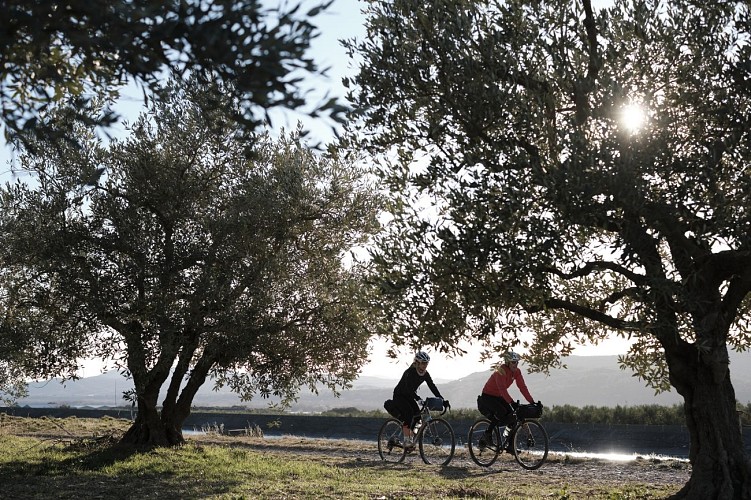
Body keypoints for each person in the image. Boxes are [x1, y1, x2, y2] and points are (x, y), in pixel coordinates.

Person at [385, 351, 445, 450]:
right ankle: (406, 440)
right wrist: (418, 399)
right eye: (423, 363)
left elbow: (432, 386)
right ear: (417, 362)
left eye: (426, 363)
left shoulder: (425, 374)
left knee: (418, 418)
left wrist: (442, 399)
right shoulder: (409, 372)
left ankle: (410, 438)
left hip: (409, 396)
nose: (425, 365)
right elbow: (408, 388)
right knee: (408, 414)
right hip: (399, 396)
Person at [477, 351, 536, 451]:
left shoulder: (517, 372)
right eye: (513, 362)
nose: (516, 364)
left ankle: (510, 445)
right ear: (507, 362)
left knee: (514, 416)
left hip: (499, 396)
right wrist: (512, 402)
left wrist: (531, 401)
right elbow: (502, 389)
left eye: (517, 362)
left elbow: (522, 387)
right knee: (501, 412)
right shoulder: (500, 371)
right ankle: (488, 433)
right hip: (488, 396)